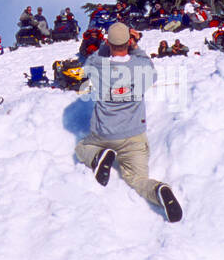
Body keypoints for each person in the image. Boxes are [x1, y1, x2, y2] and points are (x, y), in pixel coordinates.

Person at [75, 23, 180, 222]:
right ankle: (158, 190)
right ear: (129, 42)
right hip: (134, 137)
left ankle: (98, 156)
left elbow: (89, 62)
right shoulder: (141, 67)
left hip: (104, 133)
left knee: (81, 146)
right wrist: (135, 45)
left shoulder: (98, 65)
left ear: (107, 42)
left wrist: (108, 46)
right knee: (138, 179)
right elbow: (149, 65)